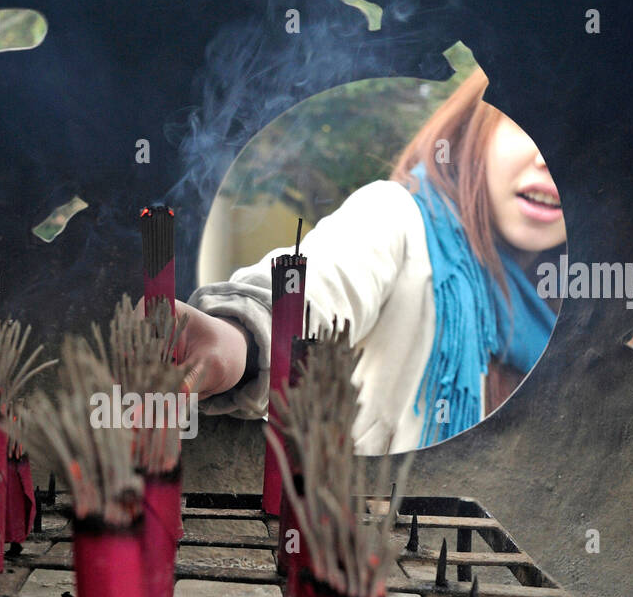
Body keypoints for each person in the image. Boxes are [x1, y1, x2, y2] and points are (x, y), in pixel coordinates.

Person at [172, 68, 567, 454]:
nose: (547, 159)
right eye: (528, 129)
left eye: (573, 145)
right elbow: (320, 284)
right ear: (475, 131)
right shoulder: (397, 217)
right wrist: (241, 336)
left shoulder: (583, 314)